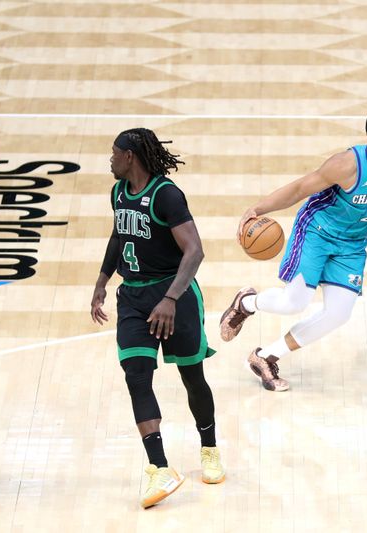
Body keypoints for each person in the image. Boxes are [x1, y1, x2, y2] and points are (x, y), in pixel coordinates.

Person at [219, 109, 367, 391]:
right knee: (294, 302)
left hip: (352, 244)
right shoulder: (346, 165)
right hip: (317, 231)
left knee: (338, 314)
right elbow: (300, 188)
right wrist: (257, 209)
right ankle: (246, 303)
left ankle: (265, 357)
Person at [90, 128, 224, 509]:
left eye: (114, 153)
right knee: (136, 376)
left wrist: (169, 299)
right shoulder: (118, 193)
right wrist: (102, 281)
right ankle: (159, 466)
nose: (110, 159)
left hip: (174, 296)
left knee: (192, 378)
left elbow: (195, 251)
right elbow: (119, 237)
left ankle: (210, 448)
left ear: (130, 156)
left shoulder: (165, 195)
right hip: (132, 297)